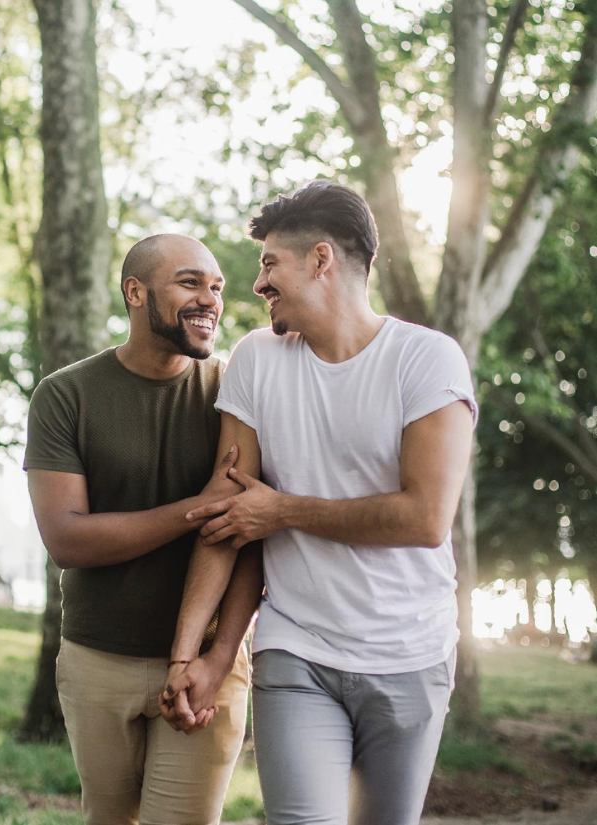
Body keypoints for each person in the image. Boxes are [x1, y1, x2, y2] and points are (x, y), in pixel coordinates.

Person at [162, 183, 477, 825]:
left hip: (411, 652)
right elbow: (231, 517)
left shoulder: (426, 360)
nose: (257, 286)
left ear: (321, 260)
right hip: (297, 649)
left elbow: (423, 519)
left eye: (270, 264)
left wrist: (284, 512)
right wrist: (197, 655)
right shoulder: (256, 360)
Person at [24, 233, 262, 825]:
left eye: (216, 287)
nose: (209, 298)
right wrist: (198, 505)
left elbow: (252, 533)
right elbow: (67, 540)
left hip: (209, 665)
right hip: (95, 659)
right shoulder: (64, 396)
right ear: (136, 292)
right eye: (189, 282)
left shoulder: (240, 394)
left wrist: (221, 656)